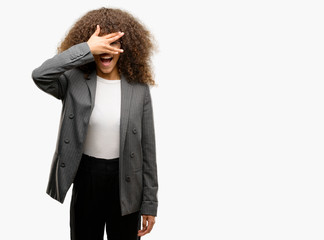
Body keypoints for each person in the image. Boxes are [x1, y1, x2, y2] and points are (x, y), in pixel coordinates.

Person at [31, 7, 158, 240]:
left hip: (127, 181)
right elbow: (40, 75)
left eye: (114, 43)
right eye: (101, 43)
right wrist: (86, 49)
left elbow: (148, 148)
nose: (106, 50)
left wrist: (150, 203)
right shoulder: (74, 81)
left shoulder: (139, 89)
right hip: (87, 177)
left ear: (125, 47)